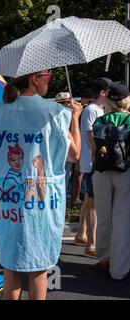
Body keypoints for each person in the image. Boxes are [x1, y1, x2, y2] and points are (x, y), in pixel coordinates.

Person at [0, 69, 82, 300]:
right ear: (35, 80)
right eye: (47, 78)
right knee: (39, 265)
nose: (49, 82)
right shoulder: (56, 112)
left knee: (11, 263)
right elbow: (74, 155)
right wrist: (74, 118)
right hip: (42, 202)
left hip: (7, 200)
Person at [92, 83, 130, 280]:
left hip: (100, 171)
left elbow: (93, 150)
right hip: (124, 172)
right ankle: (119, 269)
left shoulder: (99, 120)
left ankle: (104, 258)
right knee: (122, 221)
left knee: (104, 216)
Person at [75, 78, 111, 256]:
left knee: (89, 199)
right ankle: (91, 242)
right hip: (92, 161)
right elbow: (91, 135)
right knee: (93, 202)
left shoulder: (98, 109)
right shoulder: (91, 110)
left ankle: (81, 233)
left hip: (92, 161)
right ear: (103, 92)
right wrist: (98, 154)